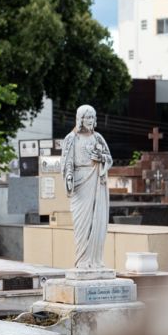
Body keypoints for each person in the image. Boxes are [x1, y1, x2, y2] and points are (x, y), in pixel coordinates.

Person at [60, 105, 113, 269]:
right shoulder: (71, 138)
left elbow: (109, 159)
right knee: (82, 226)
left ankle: (95, 260)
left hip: (97, 182)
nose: (90, 120)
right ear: (80, 119)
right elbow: (67, 162)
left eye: (92, 117)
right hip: (80, 185)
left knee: (98, 222)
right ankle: (82, 260)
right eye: (87, 117)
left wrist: (101, 157)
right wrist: (69, 176)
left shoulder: (98, 138)